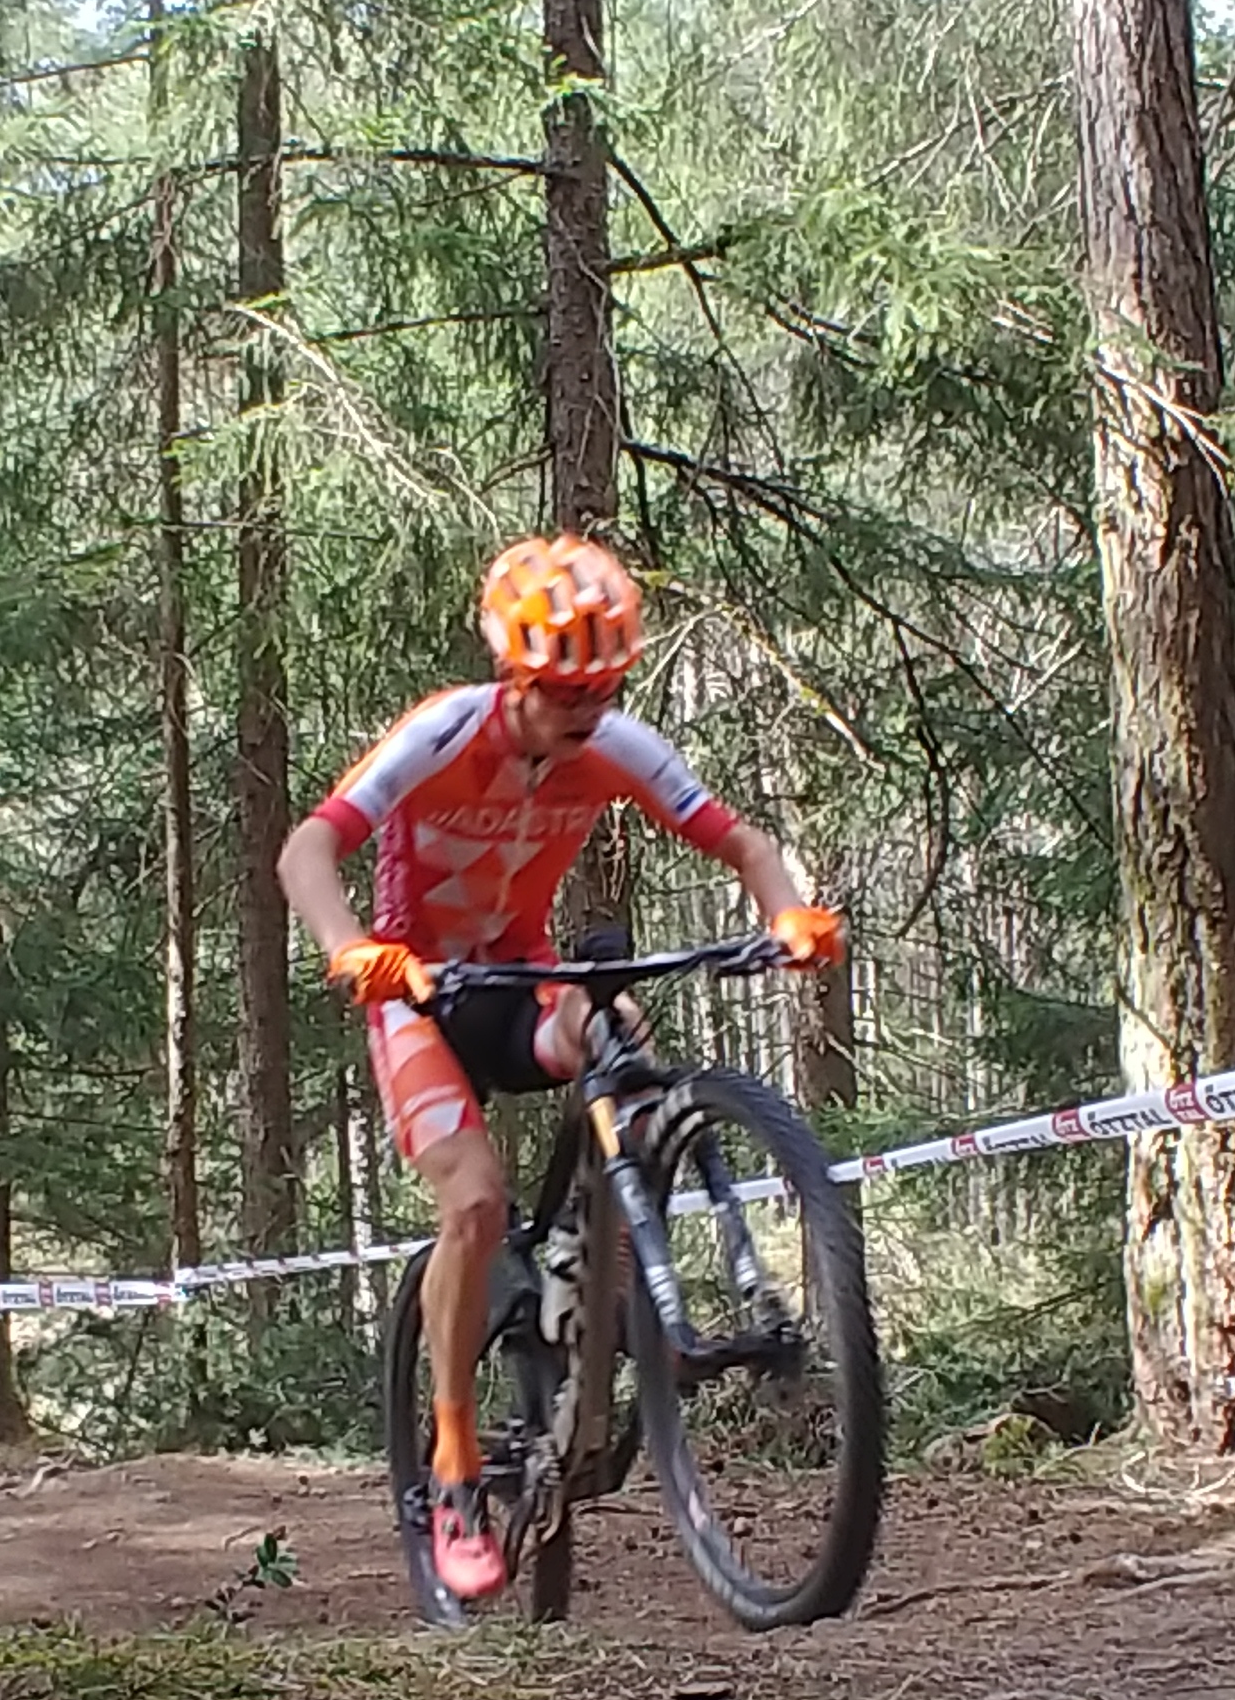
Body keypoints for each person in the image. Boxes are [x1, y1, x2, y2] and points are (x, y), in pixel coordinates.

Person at [276, 534, 844, 1603]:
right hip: (420, 992)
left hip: (522, 981)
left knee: (619, 1029)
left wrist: (789, 915)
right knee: (475, 1204)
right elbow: (307, 847)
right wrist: (350, 947)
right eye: (563, 691)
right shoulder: (445, 730)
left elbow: (744, 842)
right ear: (515, 675)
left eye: (603, 688)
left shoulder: (620, 746)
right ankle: (453, 1466)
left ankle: (606, 1271)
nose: (585, 711)